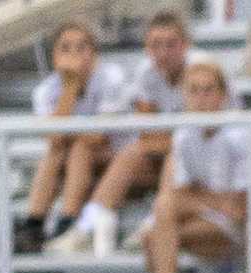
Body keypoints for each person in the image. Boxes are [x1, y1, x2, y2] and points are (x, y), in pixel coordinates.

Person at [49, 12, 194, 259]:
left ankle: (153, 223)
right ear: (147, 47)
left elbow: (199, 136)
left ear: (185, 45)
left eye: (170, 44)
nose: (163, 52)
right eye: (156, 45)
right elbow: (147, 135)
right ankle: (80, 226)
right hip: (157, 158)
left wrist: (167, 139)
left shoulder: (201, 69)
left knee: (174, 151)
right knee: (133, 151)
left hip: (208, 163)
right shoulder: (145, 73)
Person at [143, 57, 251, 273]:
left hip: (237, 232)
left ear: (223, 95)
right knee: (159, 223)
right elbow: (185, 194)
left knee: (156, 234)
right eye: (194, 91)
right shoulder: (184, 134)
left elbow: (239, 207)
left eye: (208, 90)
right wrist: (208, 200)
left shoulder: (241, 133)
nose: (201, 99)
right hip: (202, 221)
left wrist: (197, 198)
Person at [21, 18, 134, 251]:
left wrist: (67, 131)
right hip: (73, 164)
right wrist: (70, 87)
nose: (73, 54)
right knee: (58, 151)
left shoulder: (111, 77)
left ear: (94, 53)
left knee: (80, 147)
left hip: (117, 161)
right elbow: (53, 140)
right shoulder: (46, 90)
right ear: (54, 57)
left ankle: (68, 220)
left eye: (81, 47)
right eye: (65, 48)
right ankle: (34, 223)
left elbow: (100, 136)